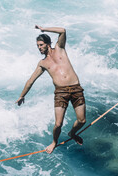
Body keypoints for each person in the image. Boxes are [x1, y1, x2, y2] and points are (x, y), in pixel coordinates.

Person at [16, 25, 86, 154]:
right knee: (58, 124)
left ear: (48, 44)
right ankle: (54, 142)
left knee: (82, 120)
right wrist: (22, 95)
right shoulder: (42, 63)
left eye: (41, 45)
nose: (39, 48)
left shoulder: (60, 49)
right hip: (61, 92)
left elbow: (63, 31)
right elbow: (31, 80)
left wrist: (43, 29)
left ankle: (72, 133)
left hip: (76, 88)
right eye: (38, 46)